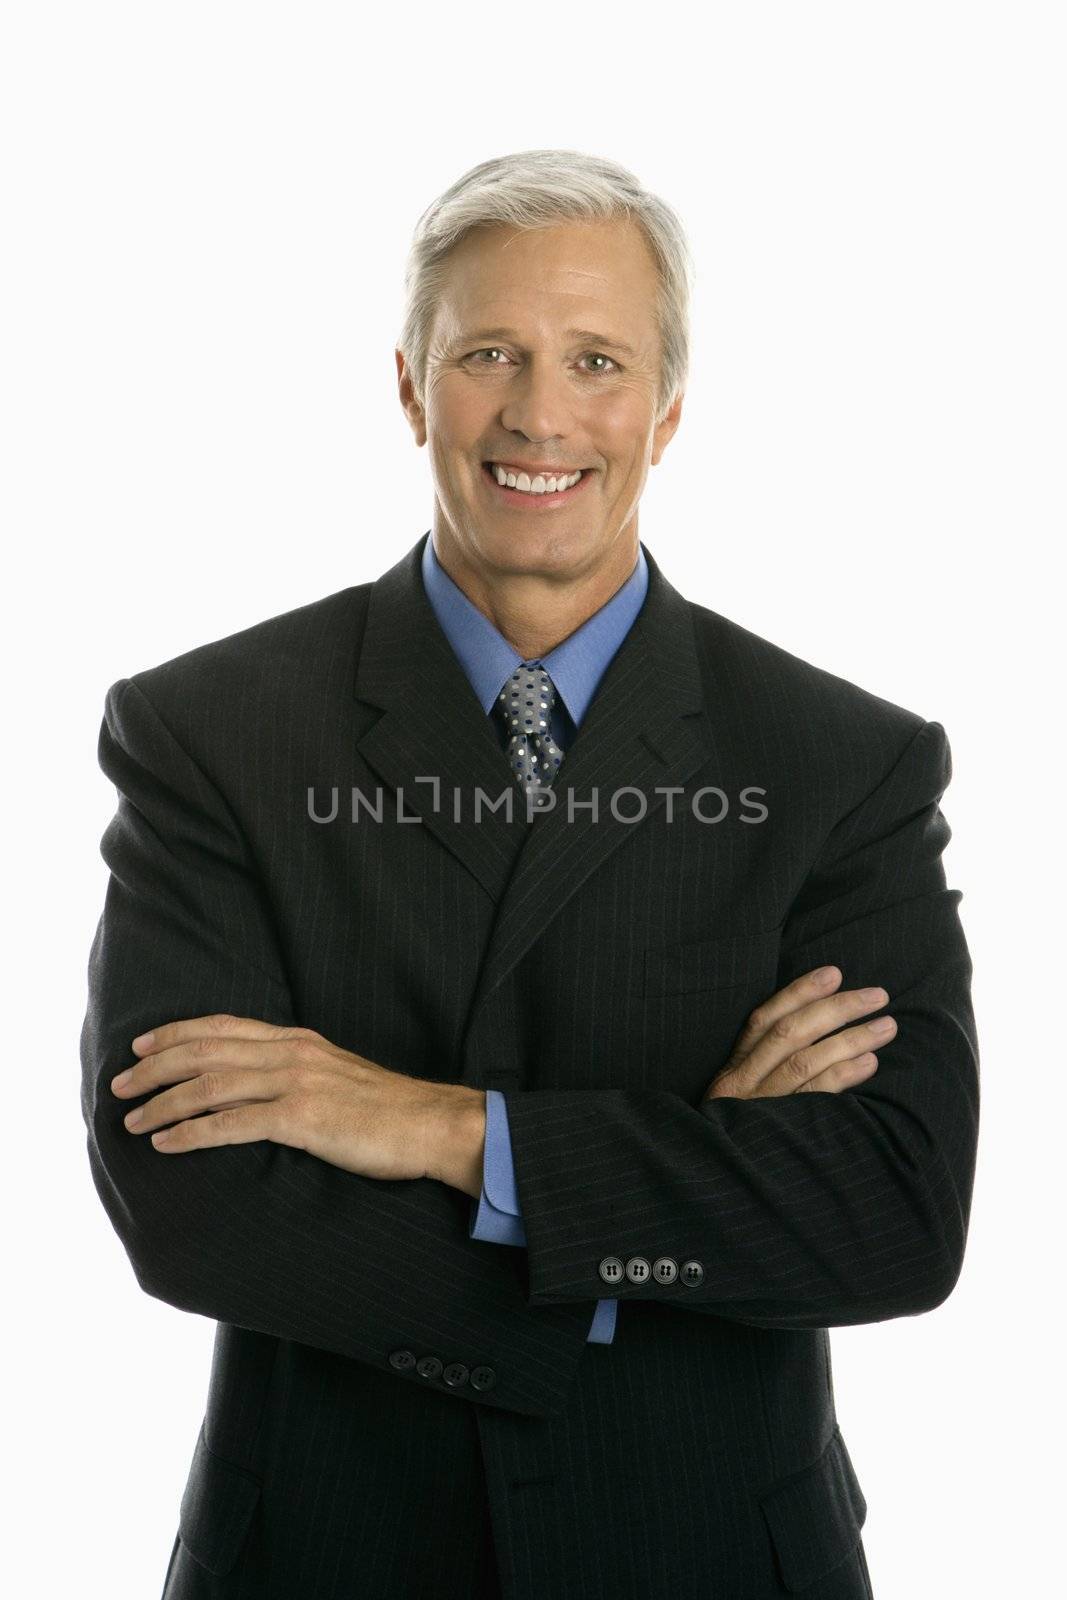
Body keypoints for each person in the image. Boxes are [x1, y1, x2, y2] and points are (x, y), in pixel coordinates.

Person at [80, 149, 979, 1600]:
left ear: (668, 409)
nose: (540, 414)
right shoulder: (212, 733)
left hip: (715, 1556)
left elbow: (891, 1214)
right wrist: (682, 1183)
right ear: (409, 387)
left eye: (596, 361)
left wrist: (444, 1132)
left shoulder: (839, 764)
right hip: (327, 1551)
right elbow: (194, 1207)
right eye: (488, 353)